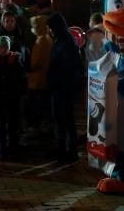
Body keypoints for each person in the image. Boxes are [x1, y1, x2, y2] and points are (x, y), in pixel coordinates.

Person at [45, 13, 82, 163]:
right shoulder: (62, 39)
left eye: (50, 27)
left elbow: (67, 66)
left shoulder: (65, 42)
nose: (49, 30)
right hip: (60, 86)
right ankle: (62, 147)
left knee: (66, 118)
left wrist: (55, 78)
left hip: (64, 87)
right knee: (60, 118)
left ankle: (70, 150)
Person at [0, 35, 24, 160]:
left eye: (5, 47)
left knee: (13, 124)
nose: (3, 50)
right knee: (1, 125)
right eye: (1, 47)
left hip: (12, 97)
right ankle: (2, 148)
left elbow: (20, 78)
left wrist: (18, 93)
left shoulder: (15, 59)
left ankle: (14, 147)